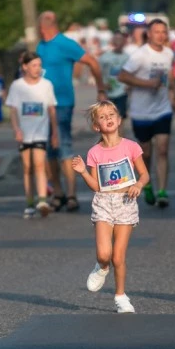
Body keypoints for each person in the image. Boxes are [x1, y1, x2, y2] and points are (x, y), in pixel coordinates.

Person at [71, 100, 150, 313]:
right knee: (104, 255)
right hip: (104, 203)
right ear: (96, 126)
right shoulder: (94, 153)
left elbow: (144, 174)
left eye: (111, 114)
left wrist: (139, 184)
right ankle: (102, 267)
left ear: (119, 119)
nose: (108, 118)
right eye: (103, 117)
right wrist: (83, 172)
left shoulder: (131, 147)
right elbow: (97, 186)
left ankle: (121, 296)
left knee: (118, 256)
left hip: (126, 202)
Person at [37, 11, 105, 212]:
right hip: (41, 105)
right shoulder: (41, 46)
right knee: (49, 148)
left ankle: (72, 194)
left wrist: (100, 88)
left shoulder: (65, 43)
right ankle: (58, 193)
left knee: (64, 145)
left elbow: (91, 61)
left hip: (62, 103)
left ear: (44, 26)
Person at [118, 18, 175, 208]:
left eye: (163, 32)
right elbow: (123, 76)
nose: (161, 35)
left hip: (162, 109)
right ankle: (148, 184)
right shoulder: (140, 55)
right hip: (141, 112)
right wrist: (147, 84)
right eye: (157, 32)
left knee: (163, 149)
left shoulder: (168, 53)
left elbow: (169, 74)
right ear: (149, 34)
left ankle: (162, 191)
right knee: (147, 152)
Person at [6, 52, 59, 219]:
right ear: (25, 67)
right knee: (27, 168)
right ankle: (29, 203)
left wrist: (54, 132)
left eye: (39, 65)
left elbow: (51, 109)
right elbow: (13, 110)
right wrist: (16, 129)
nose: (37, 69)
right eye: (34, 65)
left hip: (41, 131)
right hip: (24, 131)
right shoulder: (17, 85)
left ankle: (42, 201)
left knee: (39, 164)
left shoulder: (46, 85)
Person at [98, 31, 130, 134]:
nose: (118, 42)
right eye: (116, 40)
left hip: (122, 92)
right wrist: (101, 89)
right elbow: (98, 74)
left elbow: (132, 75)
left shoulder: (128, 58)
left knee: (120, 119)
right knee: (107, 119)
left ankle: (119, 143)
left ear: (124, 42)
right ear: (112, 42)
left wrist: (129, 85)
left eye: (120, 40)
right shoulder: (104, 57)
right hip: (108, 92)